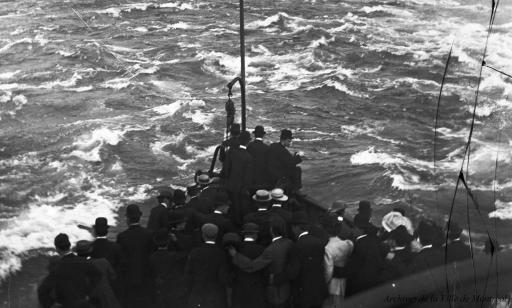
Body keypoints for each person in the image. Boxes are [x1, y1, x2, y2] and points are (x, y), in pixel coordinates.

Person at [229, 219, 294, 308]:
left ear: (271, 230)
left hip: (269, 293)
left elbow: (251, 266)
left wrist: (235, 255)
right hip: (282, 290)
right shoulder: (289, 243)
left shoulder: (270, 250)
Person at [38, 233, 101, 308]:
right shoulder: (83, 261)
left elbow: (42, 290)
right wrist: (89, 293)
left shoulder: (57, 267)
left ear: (57, 248)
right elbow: (98, 275)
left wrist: (51, 304)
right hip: (83, 303)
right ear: (70, 245)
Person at [287, 212, 328, 308]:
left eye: (293, 227)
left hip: (304, 294)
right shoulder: (319, 242)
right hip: (319, 291)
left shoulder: (296, 246)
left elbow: (293, 272)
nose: (292, 230)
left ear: (297, 227)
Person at [185, 223, 231, 308]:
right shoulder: (221, 253)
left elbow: (188, 274)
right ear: (216, 236)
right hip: (216, 295)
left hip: (198, 293)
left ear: (203, 235)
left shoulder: (195, 252)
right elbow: (223, 276)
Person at [116, 204, 153, 308]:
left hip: (129, 278)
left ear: (127, 218)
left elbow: (121, 260)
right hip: (145, 276)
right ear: (140, 217)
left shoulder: (121, 237)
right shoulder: (149, 234)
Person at [75, 240, 122, 308]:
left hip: (86, 299)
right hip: (105, 298)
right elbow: (113, 277)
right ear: (91, 250)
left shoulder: (75, 265)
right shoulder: (103, 262)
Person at [221, 130, 254, 225]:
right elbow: (248, 177)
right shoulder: (248, 157)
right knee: (240, 208)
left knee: (232, 207)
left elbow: (226, 170)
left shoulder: (231, 153)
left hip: (230, 185)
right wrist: (246, 188)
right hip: (241, 188)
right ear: (248, 142)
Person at [231, 223, 267, 308]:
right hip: (256, 290)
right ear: (256, 235)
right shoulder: (262, 249)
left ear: (243, 234)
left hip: (239, 289)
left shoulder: (236, 250)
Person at [323, 215, 354, 308]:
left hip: (332, 284)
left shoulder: (328, 248)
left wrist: (325, 283)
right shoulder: (348, 244)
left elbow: (328, 271)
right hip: (344, 282)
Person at [89, 217, 124, 299]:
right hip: (112, 286)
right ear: (107, 231)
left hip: (94, 287)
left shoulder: (90, 247)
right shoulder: (116, 247)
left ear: (95, 231)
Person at [247, 125, 270, 190]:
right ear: (263, 135)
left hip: (250, 178)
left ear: (254, 135)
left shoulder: (249, 146)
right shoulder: (266, 148)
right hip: (262, 179)